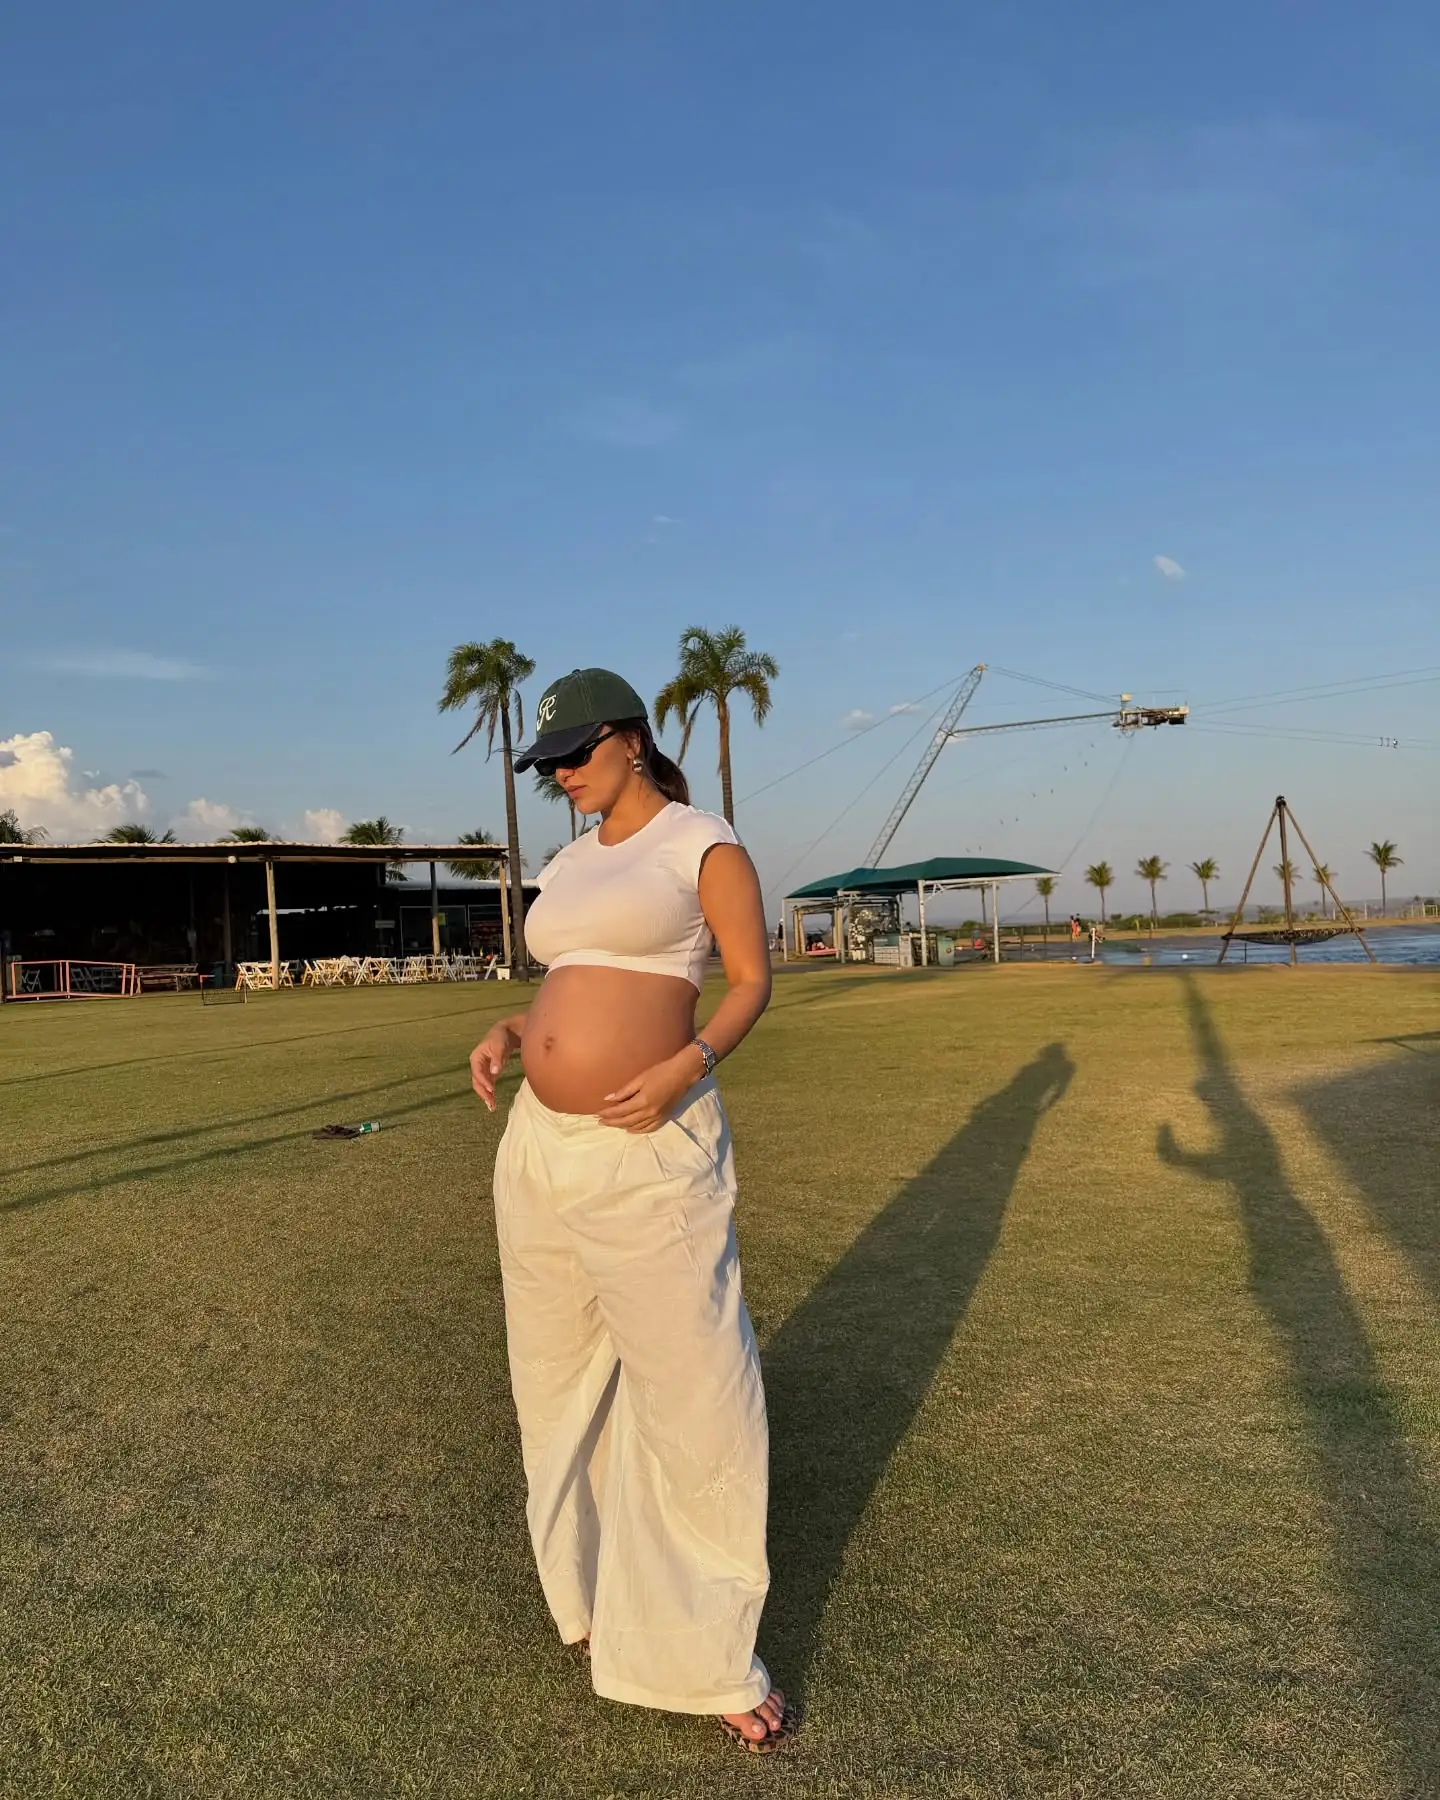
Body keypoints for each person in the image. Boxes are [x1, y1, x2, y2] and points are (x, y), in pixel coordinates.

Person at [468, 667, 796, 1755]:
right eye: (548, 763)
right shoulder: (568, 861)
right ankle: (595, 1591)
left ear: (628, 740)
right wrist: (515, 1031)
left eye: (574, 754)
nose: (560, 774)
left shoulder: (701, 844)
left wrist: (685, 1067)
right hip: (540, 1148)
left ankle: (706, 1654)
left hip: (648, 1147)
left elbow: (749, 981)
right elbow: (573, 979)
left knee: (696, 1387)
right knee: (554, 1376)